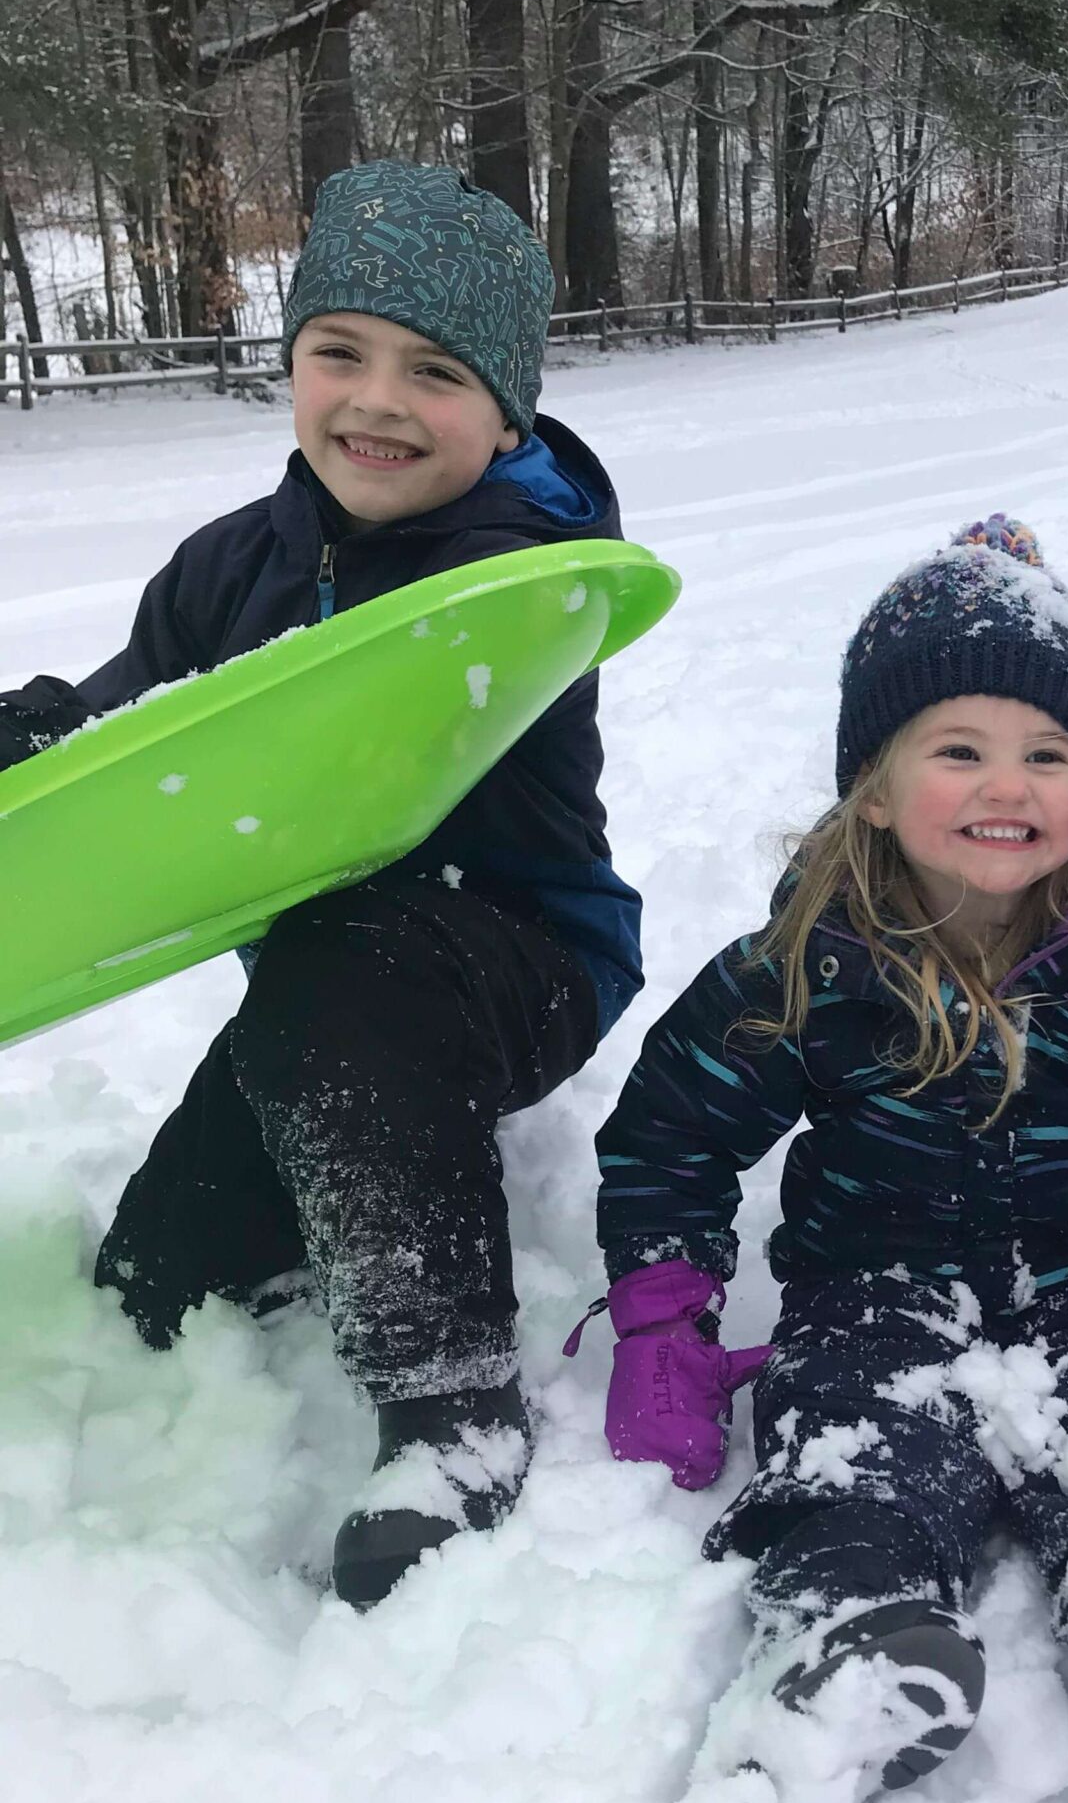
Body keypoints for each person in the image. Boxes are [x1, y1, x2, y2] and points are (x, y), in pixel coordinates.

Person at [581, 515, 1068, 1803]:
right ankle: (854, 1631)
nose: (1011, 785)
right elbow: (674, 1131)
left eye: (1046, 754)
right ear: (871, 786)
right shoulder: (809, 967)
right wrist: (665, 1310)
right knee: (854, 1460)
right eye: (961, 750)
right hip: (872, 1290)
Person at [0, 161, 642, 1606]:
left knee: (356, 957)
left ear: (508, 412)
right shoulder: (234, 566)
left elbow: (375, 762)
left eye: (434, 373)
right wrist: (42, 736)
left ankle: (452, 1412)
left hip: (512, 960)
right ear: (288, 367)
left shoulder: (521, 573)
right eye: (338, 353)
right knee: (160, 1291)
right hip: (320, 998)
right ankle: (318, 1226)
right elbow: (136, 740)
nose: (378, 402)